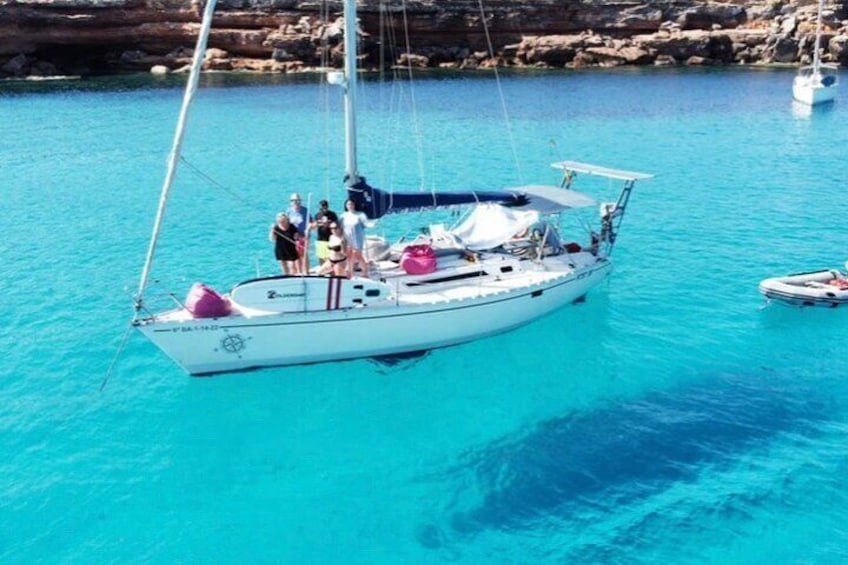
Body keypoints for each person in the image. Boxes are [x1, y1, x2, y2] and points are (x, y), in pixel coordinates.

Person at [340, 198, 374, 278]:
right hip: (347, 238)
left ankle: (365, 273)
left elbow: (366, 224)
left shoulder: (360, 214)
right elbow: (340, 227)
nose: (350, 206)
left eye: (351, 204)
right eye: (348, 204)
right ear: (346, 206)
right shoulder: (343, 216)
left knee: (358, 255)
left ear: (354, 205)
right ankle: (350, 273)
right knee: (349, 256)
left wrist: (373, 223)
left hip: (357, 238)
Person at [287, 192, 313, 273]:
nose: (296, 202)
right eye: (294, 201)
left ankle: (306, 271)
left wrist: (308, 228)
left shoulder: (305, 210)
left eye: (298, 200)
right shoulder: (288, 211)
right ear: (291, 202)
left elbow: (312, 222)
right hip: (293, 237)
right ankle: (299, 272)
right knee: (296, 255)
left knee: (304, 254)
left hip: (303, 236)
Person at [312, 199, 338, 269]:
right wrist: (318, 223)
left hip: (330, 239)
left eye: (325, 207)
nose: (323, 209)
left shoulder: (332, 214)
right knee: (321, 257)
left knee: (330, 257)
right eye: (322, 208)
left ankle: (331, 271)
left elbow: (336, 224)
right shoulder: (317, 215)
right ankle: (322, 270)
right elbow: (314, 225)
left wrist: (328, 223)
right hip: (320, 239)